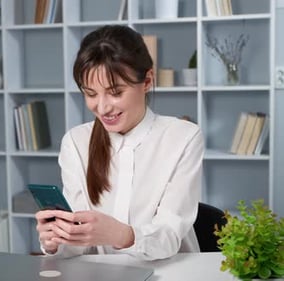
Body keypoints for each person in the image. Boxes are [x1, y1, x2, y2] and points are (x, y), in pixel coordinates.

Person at [35, 25, 204, 261]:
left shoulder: (183, 137)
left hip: (168, 271)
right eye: (91, 94)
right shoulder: (76, 142)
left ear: (146, 81)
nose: (102, 108)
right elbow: (77, 248)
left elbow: (169, 234)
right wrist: (56, 240)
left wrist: (122, 235)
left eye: (115, 92)